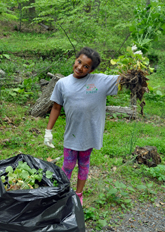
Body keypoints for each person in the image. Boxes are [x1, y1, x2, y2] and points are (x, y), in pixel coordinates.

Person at [44, 47, 120, 206]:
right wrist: (48, 130)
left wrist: (136, 66)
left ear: (91, 69)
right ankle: (63, 193)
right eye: (79, 62)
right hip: (72, 134)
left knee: (84, 165)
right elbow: (56, 107)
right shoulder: (62, 83)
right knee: (68, 165)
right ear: (75, 59)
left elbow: (124, 79)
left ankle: (78, 194)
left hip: (90, 134)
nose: (80, 67)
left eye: (86, 66)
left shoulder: (100, 81)